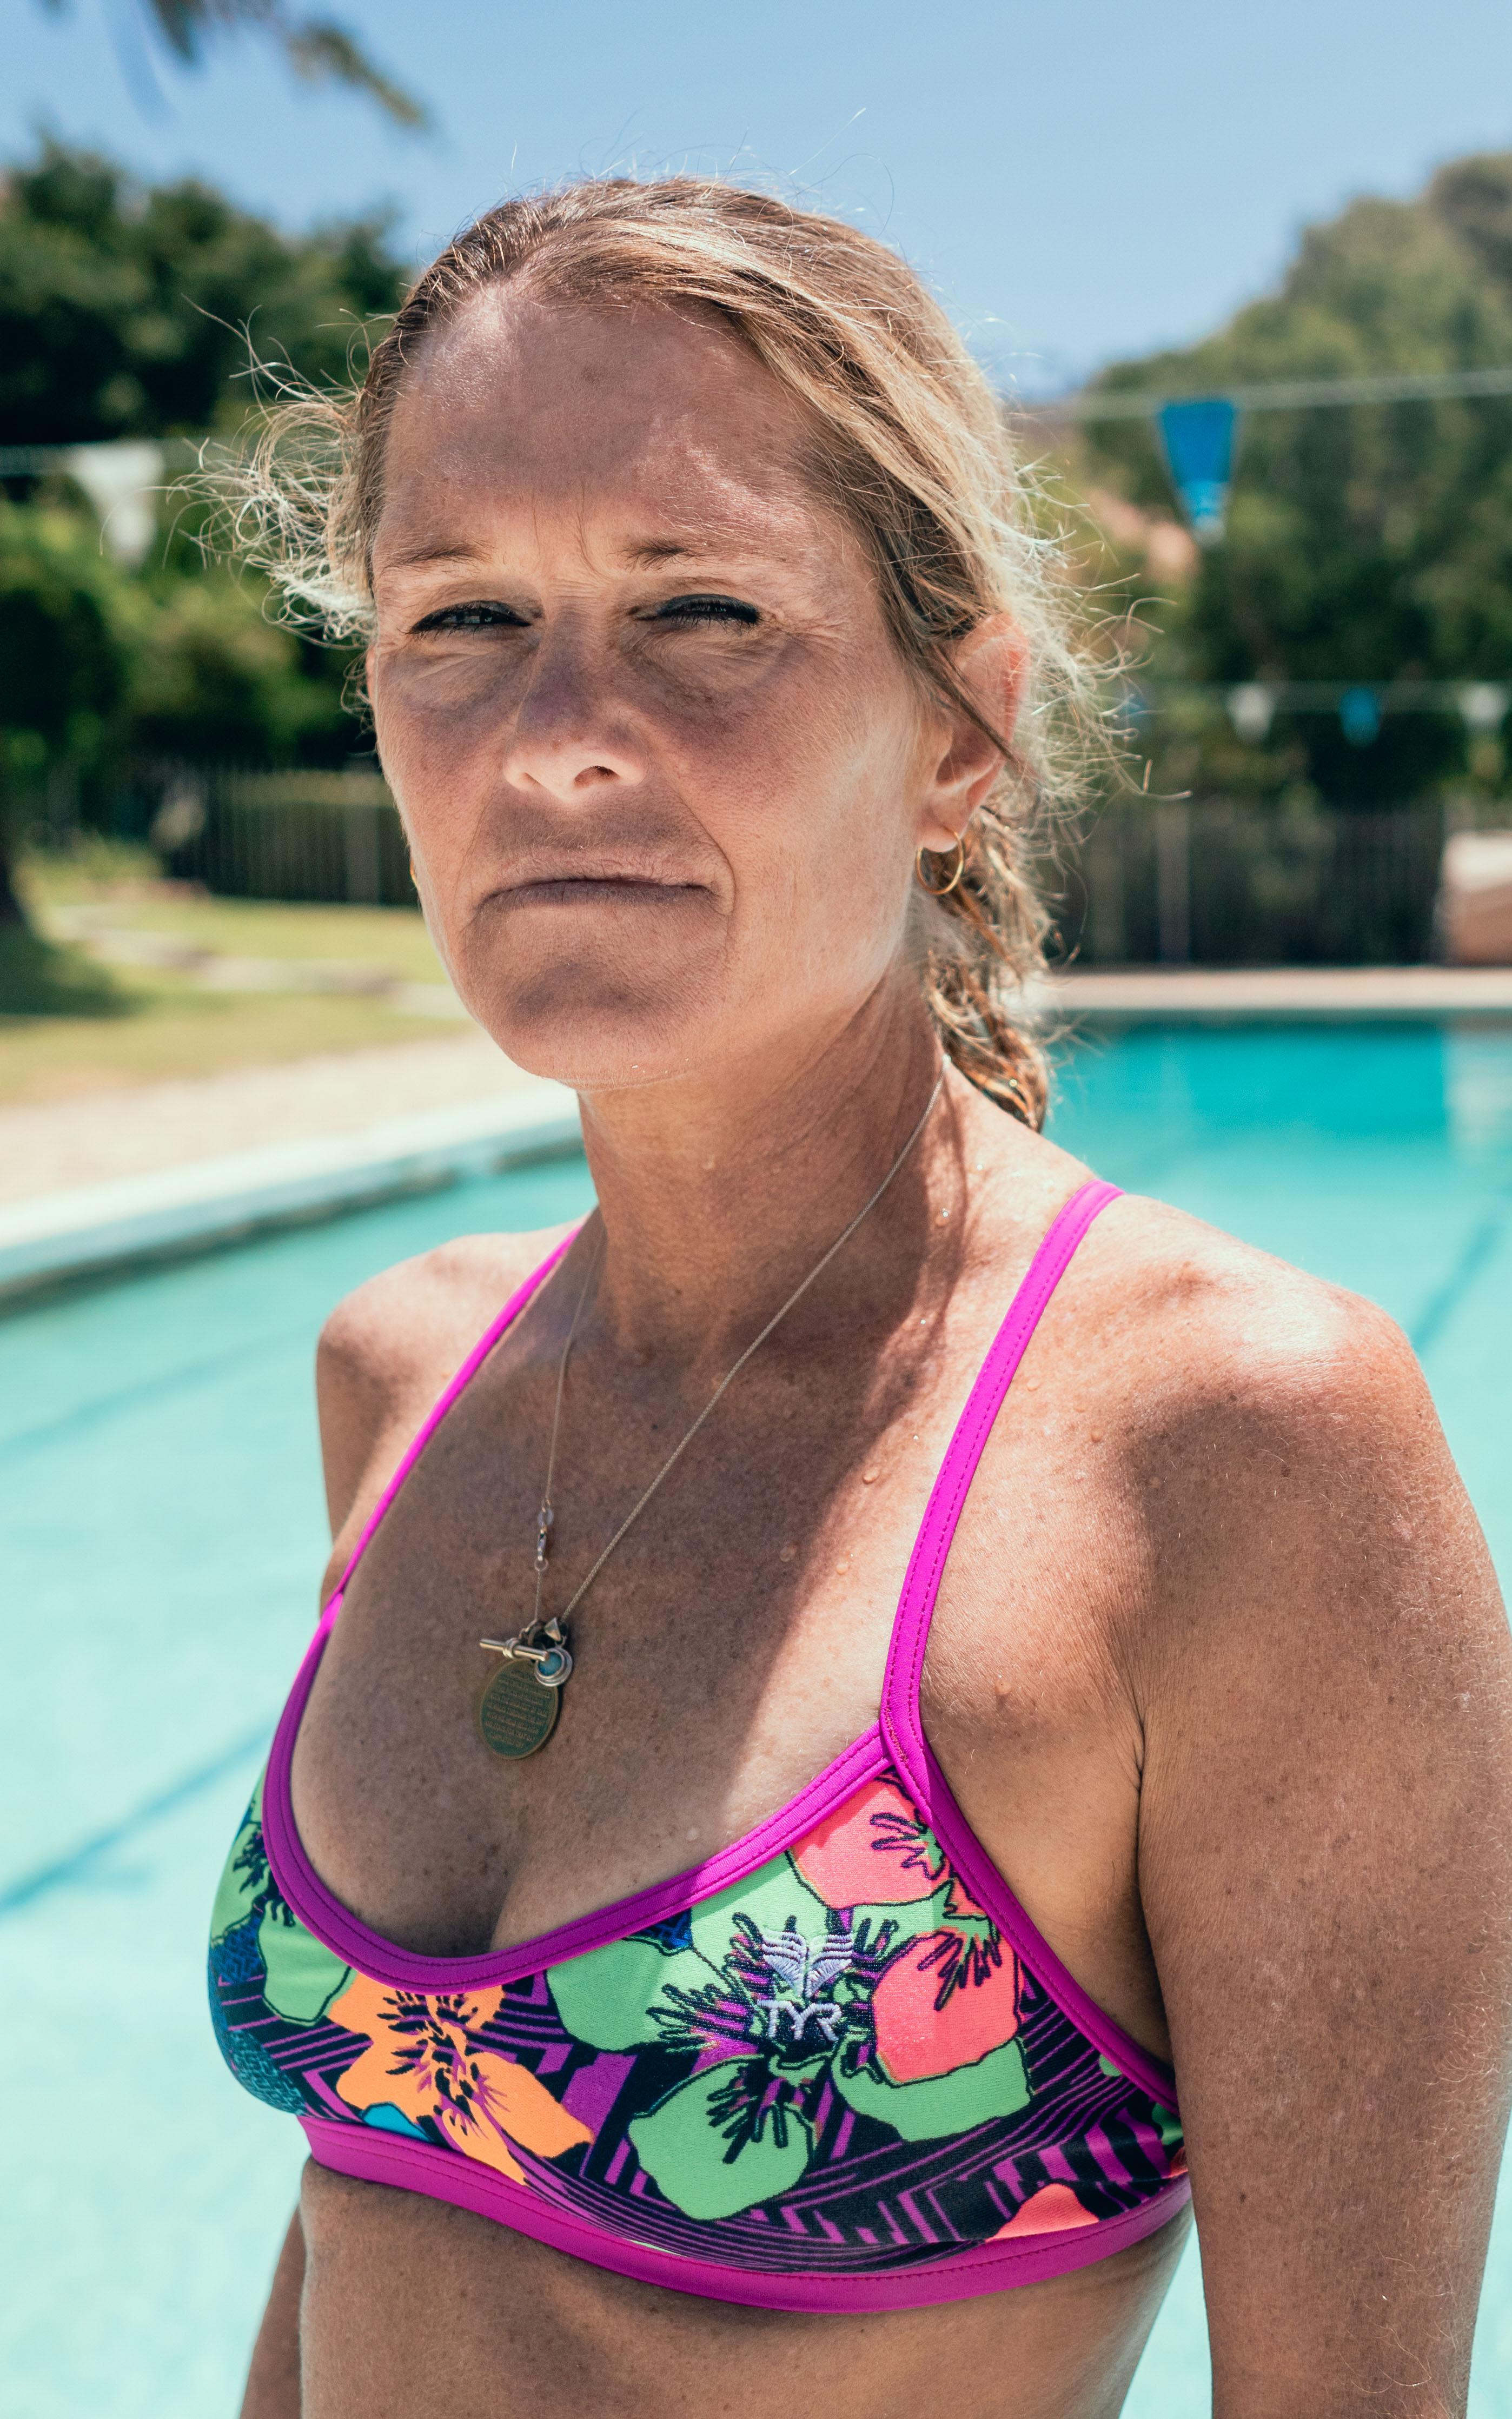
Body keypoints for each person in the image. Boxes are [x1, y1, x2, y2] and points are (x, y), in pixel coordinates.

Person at [207, 179, 1512, 2419]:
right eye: (461, 619)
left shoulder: (1223, 1446)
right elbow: (367, 2205)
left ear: (962, 729)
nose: (556, 736)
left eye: (703, 608)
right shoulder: (409, 1377)